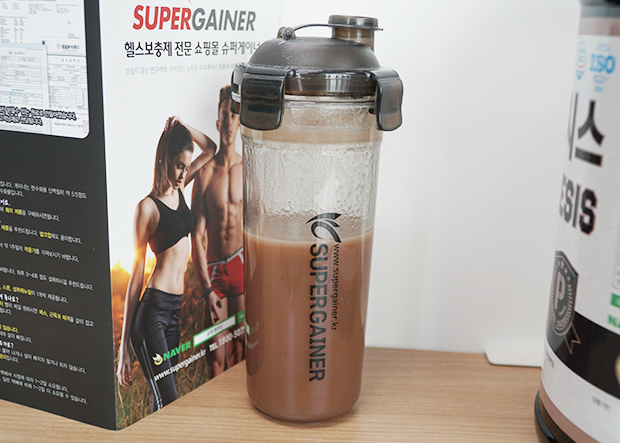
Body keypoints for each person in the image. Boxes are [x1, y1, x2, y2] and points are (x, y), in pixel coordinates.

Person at [116, 117, 216, 412]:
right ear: (164, 160)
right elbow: (136, 277)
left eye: (187, 166)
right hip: (152, 315)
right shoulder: (146, 209)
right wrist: (124, 348)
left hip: (174, 311)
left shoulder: (180, 189)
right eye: (178, 165)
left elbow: (211, 148)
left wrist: (183, 126)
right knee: (169, 400)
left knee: (163, 399)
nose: (184, 173)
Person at [191, 86, 244, 376]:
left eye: (234, 115)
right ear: (217, 122)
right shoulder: (205, 173)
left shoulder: (249, 169)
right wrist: (207, 288)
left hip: (241, 263)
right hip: (214, 271)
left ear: (240, 122)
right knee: (216, 356)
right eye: (225, 115)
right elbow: (196, 236)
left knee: (241, 349)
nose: (229, 122)